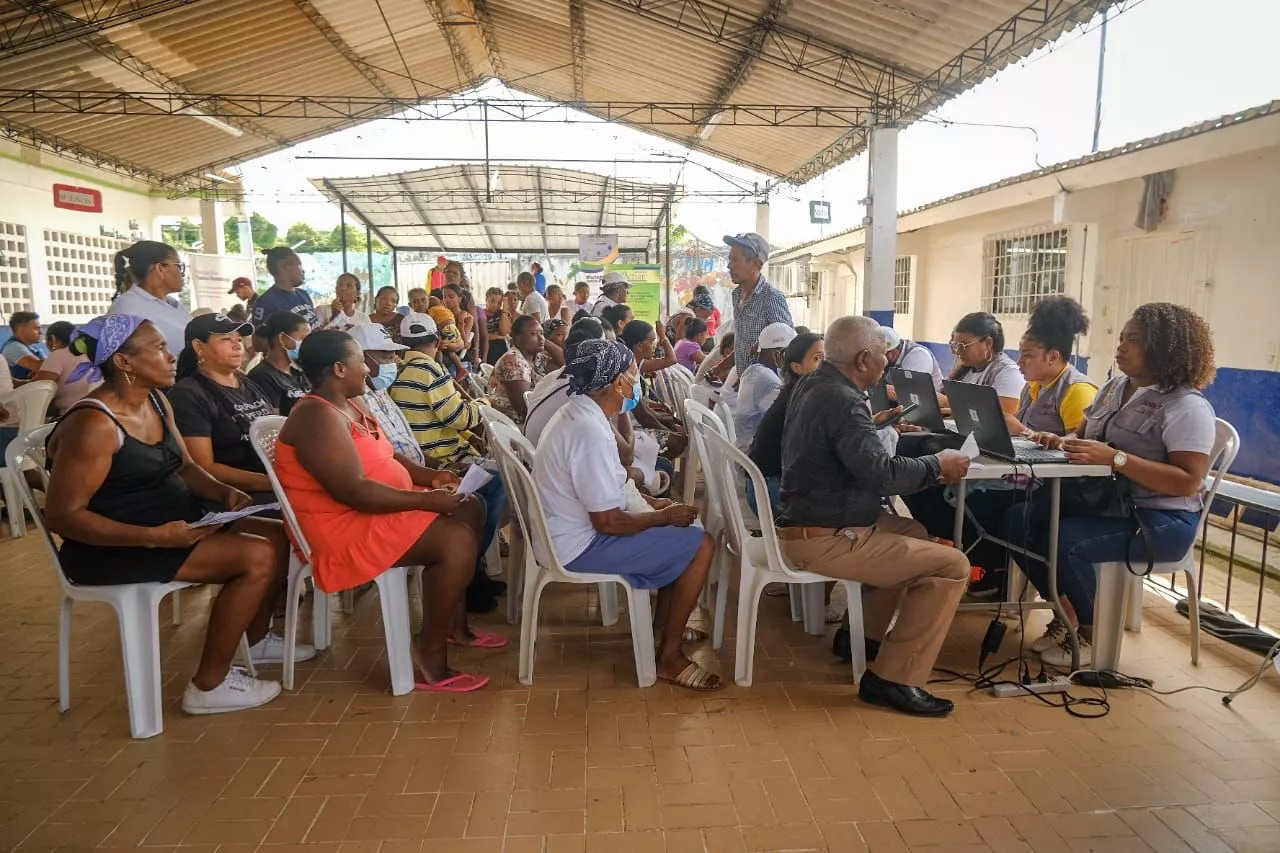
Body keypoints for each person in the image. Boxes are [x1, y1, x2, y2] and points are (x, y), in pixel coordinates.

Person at [44, 314, 293, 714]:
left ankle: (255, 637)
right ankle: (208, 686)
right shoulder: (94, 424)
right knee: (257, 555)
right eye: (158, 348)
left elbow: (186, 467)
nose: (170, 356)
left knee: (280, 536)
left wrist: (224, 493)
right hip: (114, 547)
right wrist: (155, 537)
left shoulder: (157, 400)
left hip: (175, 526)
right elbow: (64, 516)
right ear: (124, 362)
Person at [274, 330, 498, 689]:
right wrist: (426, 500)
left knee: (469, 507)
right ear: (338, 368)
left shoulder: (351, 405)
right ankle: (429, 651)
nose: (370, 367)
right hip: (344, 526)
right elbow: (354, 492)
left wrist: (432, 477)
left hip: (377, 508)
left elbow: (389, 454)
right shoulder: (316, 416)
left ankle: (455, 626)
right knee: (455, 541)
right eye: (361, 360)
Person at [1004, 303, 1218, 667]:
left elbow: (1187, 482)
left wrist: (1115, 459)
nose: (1121, 347)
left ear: (1164, 347)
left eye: (1134, 340)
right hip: (1105, 503)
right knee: (1016, 521)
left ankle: (1091, 636)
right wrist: (1064, 440)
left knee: (1066, 540)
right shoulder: (1115, 387)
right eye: (1121, 337)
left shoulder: (1186, 407)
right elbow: (1086, 433)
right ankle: (1065, 613)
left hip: (1158, 518)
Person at [778, 315, 971, 717]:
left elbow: (842, 447)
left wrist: (873, 426)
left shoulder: (817, 383)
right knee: (952, 566)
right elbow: (883, 476)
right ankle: (894, 679)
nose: (888, 364)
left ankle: (857, 640)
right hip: (826, 537)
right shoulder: (843, 400)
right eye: (884, 356)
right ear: (865, 358)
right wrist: (938, 464)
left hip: (813, 519)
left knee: (915, 532)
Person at [533, 339, 721, 690]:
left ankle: (664, 630)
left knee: (683, 533)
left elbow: (612, 485)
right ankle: (669, 656)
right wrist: (662, 518)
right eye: (632, 372)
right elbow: (608, 522)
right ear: (616, 382)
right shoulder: (588, 430)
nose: (637, 378)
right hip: (577, 547)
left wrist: (650, 504)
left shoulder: (580, 410)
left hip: (568, 532)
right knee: (700, 544)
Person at [348, 321, 508, 614]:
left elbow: (404, 445)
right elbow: (458, 418)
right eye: (383, 357)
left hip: (423, 465)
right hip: (405, 484)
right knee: (491, 486)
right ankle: (465, 575)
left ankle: (469, 573)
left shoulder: (381, 391)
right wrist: (483, 403)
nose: (392, 362)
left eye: (392, 355)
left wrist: (434, 470)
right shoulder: (357, 403)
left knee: (476, 495)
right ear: (359, 360)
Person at [168, 314, 277, 505]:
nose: (237, 346)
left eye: (239, 339)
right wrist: (275, 483)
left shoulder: (247, 383)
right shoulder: (188, 394)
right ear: (199, 347)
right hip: (235, 497)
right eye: (226, 339)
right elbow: (204, 468)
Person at [747, 331, 824, 515]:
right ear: (797, 367)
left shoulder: (795, 391)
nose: (826, 365)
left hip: (763, 486)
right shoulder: (803, 399)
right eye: (818, 358)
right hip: (772, 493)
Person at [1007, 296, 1097, 438]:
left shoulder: (1077, 391)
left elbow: (1077, 449)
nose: (1019, 362)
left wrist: (1022, 431)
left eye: (1028, 355)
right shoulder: (1033, 385)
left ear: (1053, 357)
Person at [108, 240, 192, 358]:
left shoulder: (174, 304)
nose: (182, 274)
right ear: (160, 268)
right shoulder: (128, 308)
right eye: (179, 266)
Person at [619, 321, 687, 462]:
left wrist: (668, 424)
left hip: (635, 422)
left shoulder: (635, 363)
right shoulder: (627, 370)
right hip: (629, 428)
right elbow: (642, 414)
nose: (654, 345)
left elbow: (643, 409)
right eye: (651, 341)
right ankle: (651, 471)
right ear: (639, 345)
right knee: (677, 442)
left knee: (677, 430)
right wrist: (669, 431)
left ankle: (654, 467)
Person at [725, 233, 792, 374]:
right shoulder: (736, 295)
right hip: (746, 382)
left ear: (754, 263)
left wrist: (762, 346)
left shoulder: (771, 297)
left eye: (735, 260)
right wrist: (721, 367)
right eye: (729, 259)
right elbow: (742, 343)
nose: (729, 265)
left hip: (766, 386)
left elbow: (787, 344)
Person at [939, 312, 1024, 413]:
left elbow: (1002, 415)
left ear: (988, 343)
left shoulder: (1009, 373)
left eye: (962, 345)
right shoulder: (966, 368)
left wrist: (948, 403)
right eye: (955, 345)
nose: (956, 352)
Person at [733, 322, 796, 452]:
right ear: (778, 354)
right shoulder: (767, 380)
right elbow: (789, 419)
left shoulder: (754, 370)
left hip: (746, 449)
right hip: (753, 457)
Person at [249, 311, 312, 416]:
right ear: (282, 338)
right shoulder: (262, 376)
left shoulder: (298, 372)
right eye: (303, 339)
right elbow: (273, 422)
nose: (308, 345)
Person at [489, 315, 546, 424]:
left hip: (529, 416)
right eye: (533, 334)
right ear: (517, 338)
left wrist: (543, 342)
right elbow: (523, 407)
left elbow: (564, 364)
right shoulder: (513, 362)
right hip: (512, 424)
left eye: (542, 333)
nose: (541, 338)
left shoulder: (536, 356)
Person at [34, 320, 92, 415]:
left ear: (53, 339)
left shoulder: (58, 354)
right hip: (93, 409)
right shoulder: (88, 353)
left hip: (70, 414)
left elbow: (38, 389)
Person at [252, 247, 318, 329]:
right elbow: (259, 338)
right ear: (287, 266)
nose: (303, 271)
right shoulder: (265, 303)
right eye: (299, 265)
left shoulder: (303, 294)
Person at [882, 326, 944, 393]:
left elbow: (912, 392)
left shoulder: (918, 355)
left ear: (894, 353)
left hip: (929, 401)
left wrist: (882, 389)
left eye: (880, 355)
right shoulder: (892, 358)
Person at [441, 283, 479, 368]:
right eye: (444, 297)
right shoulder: (443, 316)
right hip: (444, 355)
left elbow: (463, 342)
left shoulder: (467, 317)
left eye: (451, 297)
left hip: (461, 358)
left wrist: (461, 322)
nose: (447, 300)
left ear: (459, 299)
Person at [4, 311, 44, 380]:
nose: (41, 332)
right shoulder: (13, 347)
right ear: (21, 330)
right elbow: (47, 368)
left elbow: (47, 368)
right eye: (36, 328)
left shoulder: (31, 347)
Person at [484, 287, 514, 365]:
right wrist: (500, 337)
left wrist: (505, 310)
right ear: (486, 299)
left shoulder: (503, 314)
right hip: (485, 345)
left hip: (500, 346)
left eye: (499, 303)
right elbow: (483, 335)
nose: (496, 305)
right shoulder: (481, 314)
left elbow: (504, 332)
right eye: (492, 301)